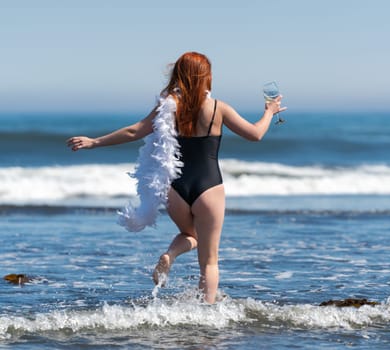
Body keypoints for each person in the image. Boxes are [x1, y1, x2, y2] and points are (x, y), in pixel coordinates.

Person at [67, 52, 286, 303]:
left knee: (189, 234)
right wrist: (270, 111)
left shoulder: (168, 107)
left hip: (175, 189)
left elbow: (134, 131)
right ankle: (208, 316)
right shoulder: (218, 108)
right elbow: (255, 134)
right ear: (206, 77)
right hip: (209, 187)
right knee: (210, 261)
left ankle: (171, 254)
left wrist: (94, 142)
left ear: (179, 75)